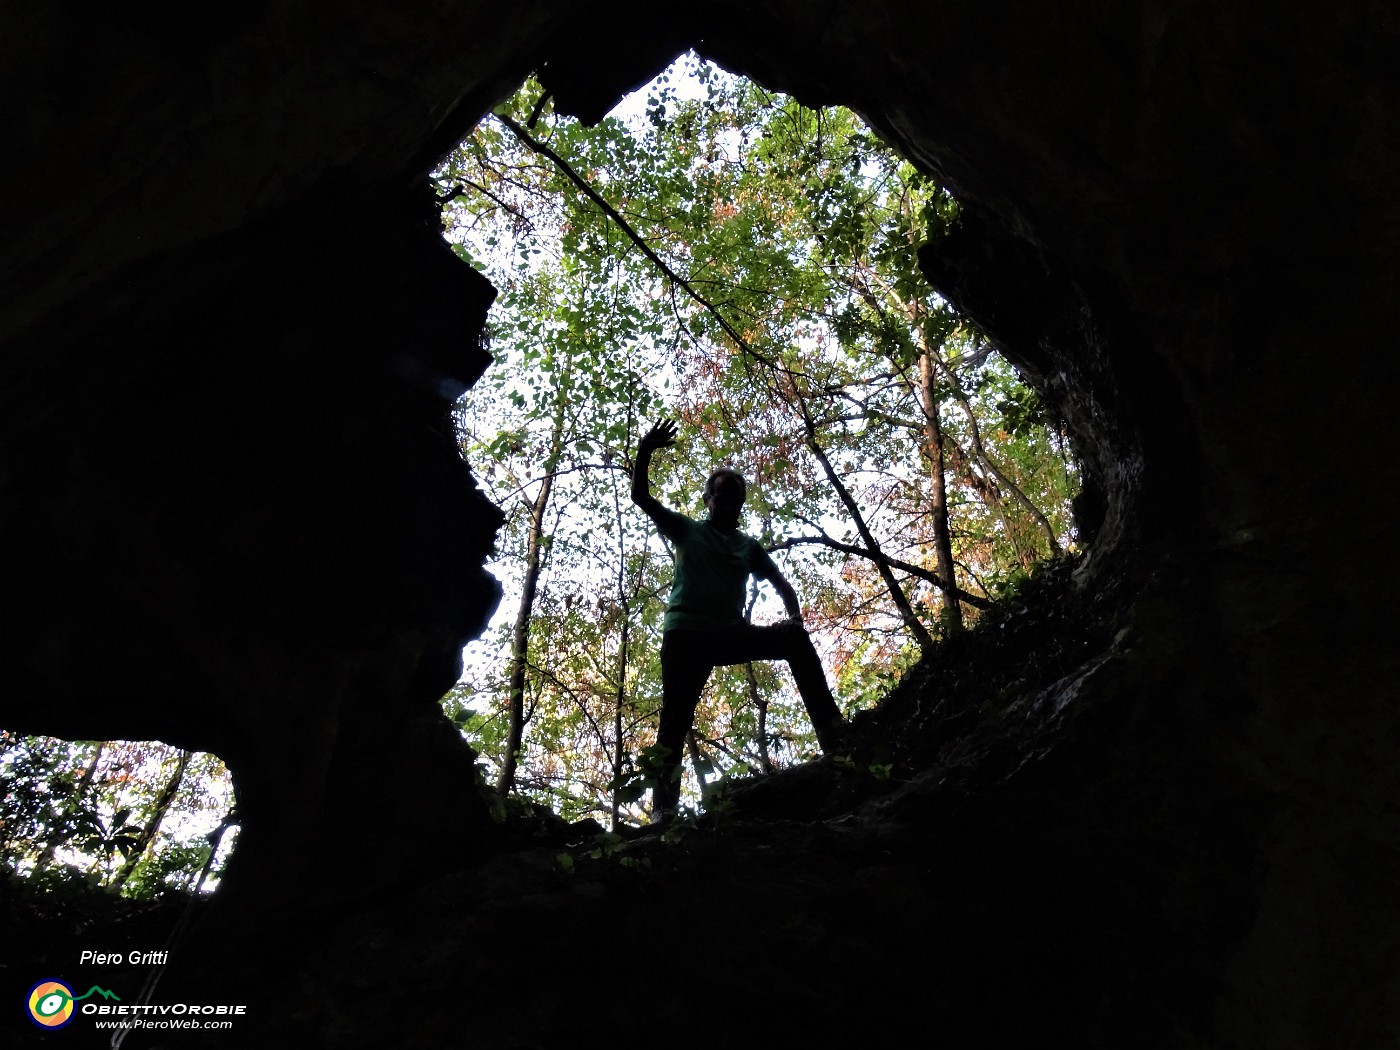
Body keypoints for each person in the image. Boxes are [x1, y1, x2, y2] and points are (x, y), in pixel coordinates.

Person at [631, 418, 847, 821]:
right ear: (708, 500)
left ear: (740, 504)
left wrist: (794, 621)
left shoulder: (748, 546)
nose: (728, 503)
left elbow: (783, 585)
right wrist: (645, 448)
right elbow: (641, 497)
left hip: (728, 634)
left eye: (736, 497)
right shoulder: (687, 530)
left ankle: (836, 739)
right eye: (721, 495)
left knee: (795, 643)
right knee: (674, 720)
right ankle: (664, 814)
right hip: (686, 637)